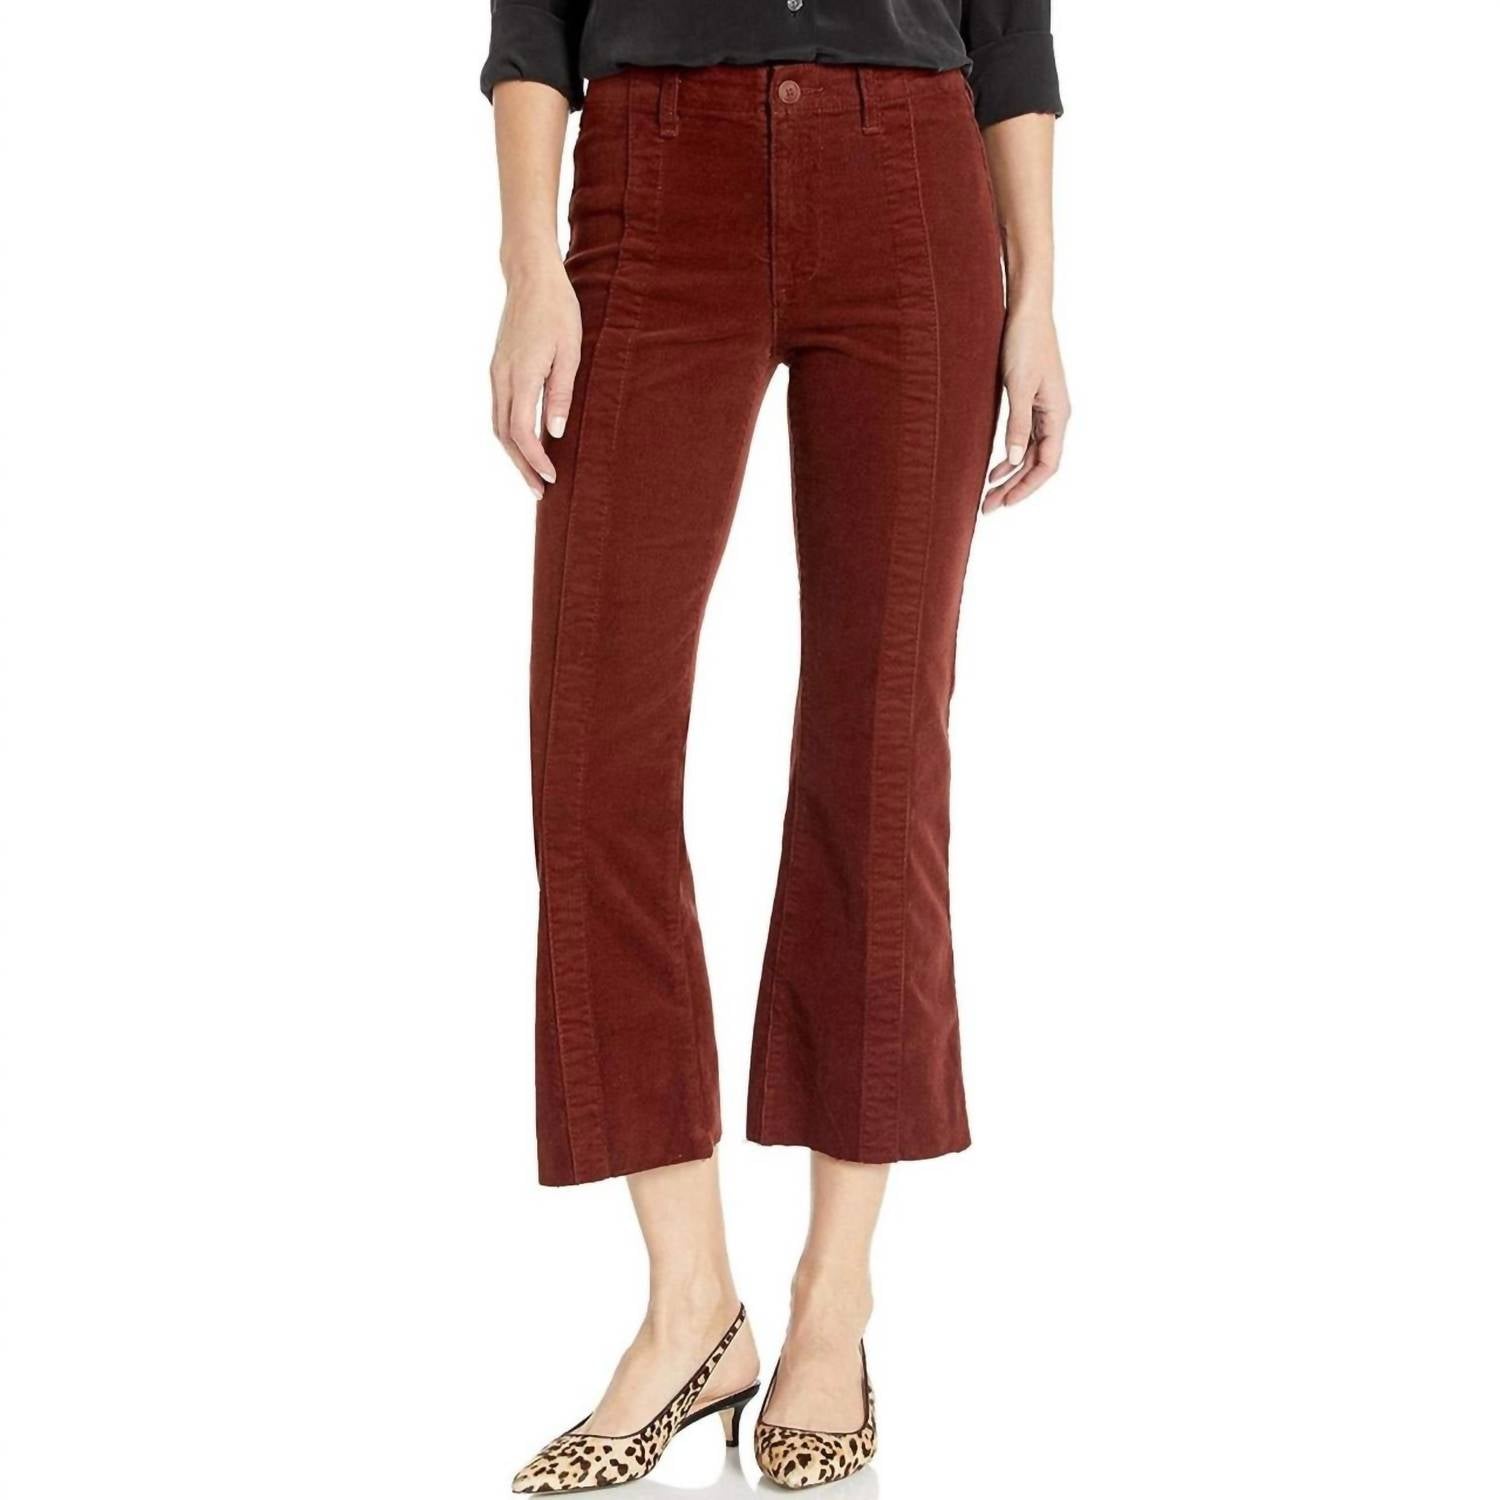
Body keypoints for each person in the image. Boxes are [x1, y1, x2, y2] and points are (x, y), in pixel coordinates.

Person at [483, 2, 1067, 1490]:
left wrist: (1041, 292)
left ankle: (832, 1302)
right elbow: (532, 19)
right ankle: (692, 1308)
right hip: (653, 178)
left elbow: (1010, 27)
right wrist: (529, 265)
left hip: (912, 177)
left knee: (882, 755)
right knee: (593, 742)